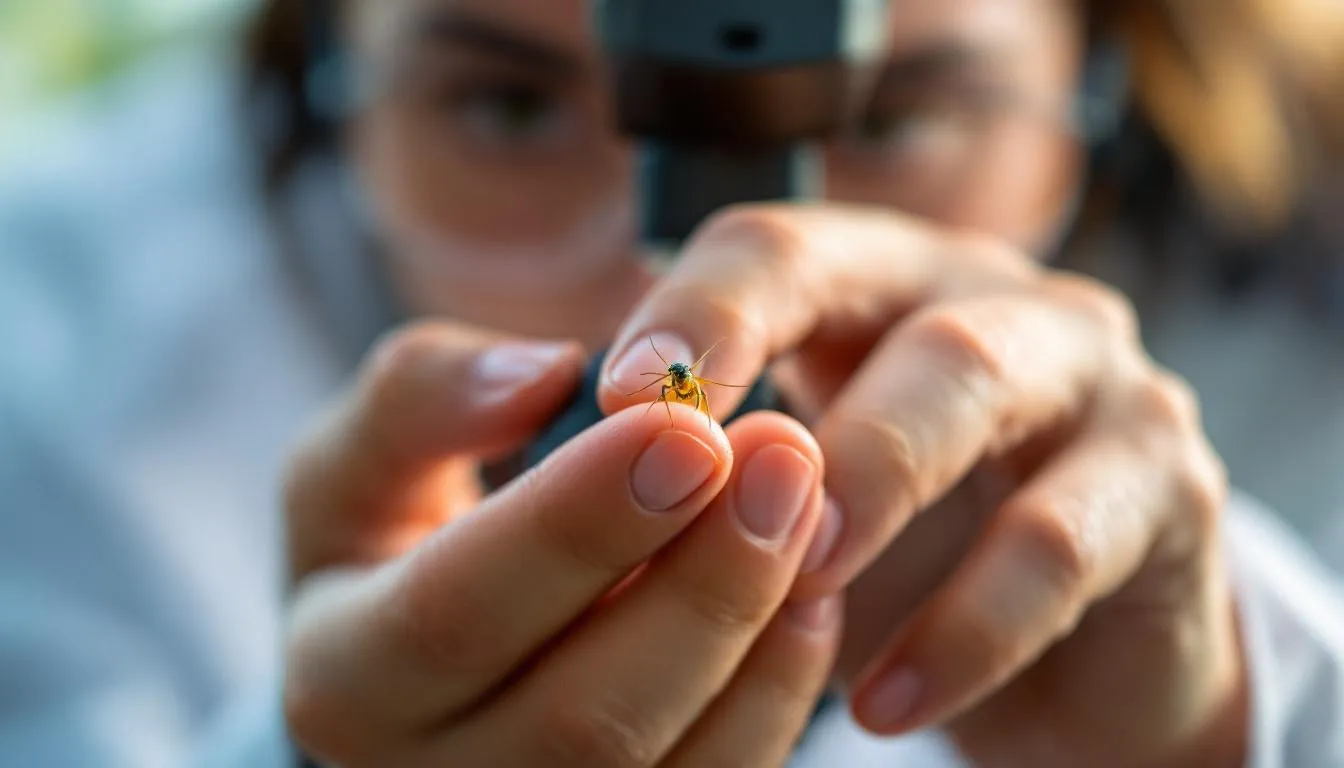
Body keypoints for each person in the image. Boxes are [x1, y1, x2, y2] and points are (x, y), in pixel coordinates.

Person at [3, 0, 1344, 766]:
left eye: (886, 121)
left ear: (1103, 102)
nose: (689, 291)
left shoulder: (1302, 322)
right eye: (510, 110)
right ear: (314, 85)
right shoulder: (53, 344)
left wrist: (1237, 732)